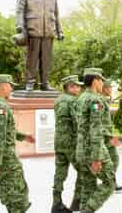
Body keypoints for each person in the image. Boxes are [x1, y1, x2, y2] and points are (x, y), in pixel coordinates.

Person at [0, 74, 35, 213]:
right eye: (10, 86)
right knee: (18, 200)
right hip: (5, 161)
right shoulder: (2, 107)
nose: (11, 89)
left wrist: (24, 137)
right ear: (3, 86)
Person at [16, 0, 64, 91]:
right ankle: (30, 82)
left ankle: (45, 83)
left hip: (48, 31)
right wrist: (20, 25)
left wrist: (60, 31)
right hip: (33, 30)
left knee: (46, 61)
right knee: (32, 59)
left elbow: (57, 14)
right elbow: (20, 10)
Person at [76, 68, 115, 213]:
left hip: (81, 149)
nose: (103, 83)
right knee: (109, 183)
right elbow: (95, 129)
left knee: (88, 186)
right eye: (101, 80)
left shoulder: (80, 98)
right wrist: (97, 157)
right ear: (95, 81)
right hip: (93, 149)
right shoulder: (95, 100)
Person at [52, 75, 84, 213]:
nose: (79, 88)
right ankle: (77, 201)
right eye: (77, 86)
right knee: (84, 170)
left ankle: (56, 202)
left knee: (60, 173)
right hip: (71, 142)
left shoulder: (58, 100)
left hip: (59, 141)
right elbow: (78, 123)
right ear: (70, 87)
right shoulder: (73, 101)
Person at [100, 78, 122, 192]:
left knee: (113, 159)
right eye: (109, 88)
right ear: (104, 89)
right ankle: (109, 182)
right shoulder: (100, 100)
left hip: (108, 134)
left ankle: (110, 182)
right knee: (112, 159)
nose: (111, 90)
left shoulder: (104, 99)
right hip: (104, 135)